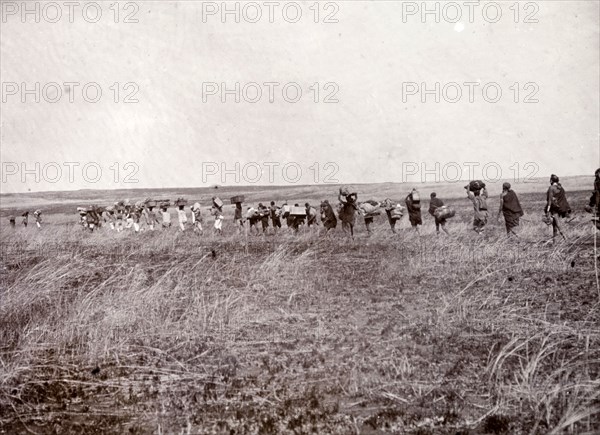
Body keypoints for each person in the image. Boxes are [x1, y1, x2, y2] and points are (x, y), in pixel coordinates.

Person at [545, 174, 571, 241]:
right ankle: (554, 240)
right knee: (554, 224)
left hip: (555, 208)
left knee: (557, 223)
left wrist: (547, 210)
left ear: (551, 180)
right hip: (562, 207)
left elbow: (550, 200)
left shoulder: (551, 188)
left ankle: (566, 238)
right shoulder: (561, 188)